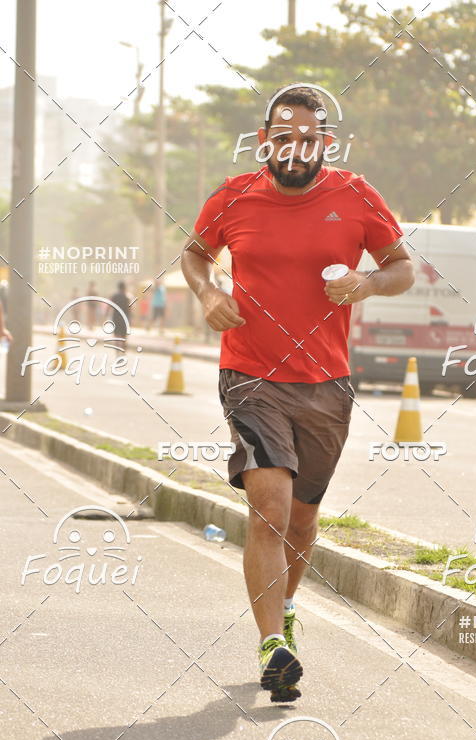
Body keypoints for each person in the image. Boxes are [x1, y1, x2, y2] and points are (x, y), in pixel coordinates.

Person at [181, 85, 414, 701]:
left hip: (327, 384)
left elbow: (403, 267)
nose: (295, 148)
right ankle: (271, 646)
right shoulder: (233, 197)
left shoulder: (356, 196)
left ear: (325, 142)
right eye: (283, 138)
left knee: (304, 520)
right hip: (251, 376)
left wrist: (367, 282)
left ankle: (283, 610)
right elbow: (195, 255)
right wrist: (208, 293)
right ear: (266, 141)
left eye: (308, 137)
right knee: (269, 507)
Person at [109, 281, 130, 354]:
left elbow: (109, 306)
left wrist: (105, 315)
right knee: (123, 334)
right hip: (124, 318)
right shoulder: (126, 297)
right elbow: (129, 309)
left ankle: (117, 349)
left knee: (116, 334)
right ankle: (123, 348)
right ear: (124, 288)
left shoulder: (114, 296)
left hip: (116, 317)